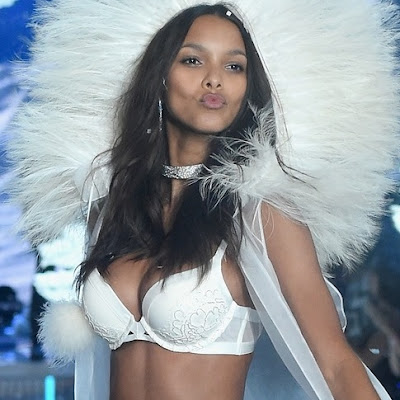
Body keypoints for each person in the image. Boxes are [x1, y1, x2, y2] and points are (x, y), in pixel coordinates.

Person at [9, 1, 400, 399]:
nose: (214, 80)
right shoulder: (113, 205)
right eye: (193, 61)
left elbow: (335, 364)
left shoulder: (260, 213)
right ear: (160, 76)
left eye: (234, 66)